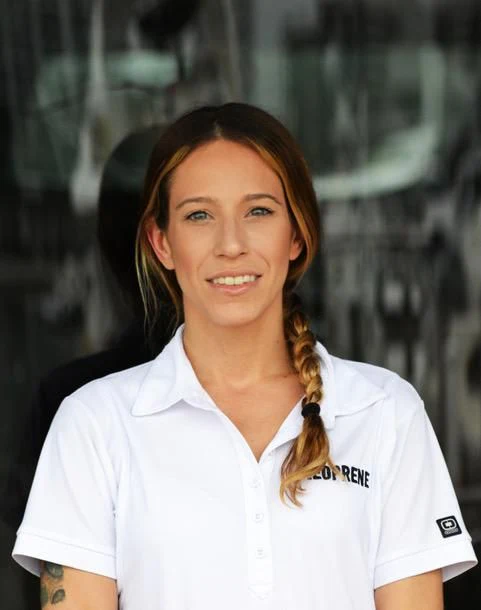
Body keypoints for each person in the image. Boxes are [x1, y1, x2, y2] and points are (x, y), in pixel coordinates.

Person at [11, 103, 477, 610]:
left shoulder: (385, 412)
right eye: (199, 215)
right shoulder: (92, 425)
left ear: (296, 234)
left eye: (258, 211)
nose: (231, 244)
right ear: (162, 242)